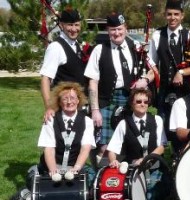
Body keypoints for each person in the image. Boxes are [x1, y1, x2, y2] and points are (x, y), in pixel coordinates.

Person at [84, 13, 154, 164]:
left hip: (131, 102)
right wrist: (95, 110)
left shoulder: (136, 47)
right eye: (113, 29)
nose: (116, 33)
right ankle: (102, 181)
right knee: (104, 147)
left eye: (119, 29)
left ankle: (126, 181)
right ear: (108, 31)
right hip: (107, 102)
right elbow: (92, 81)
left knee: (130, 143)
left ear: (126, 29)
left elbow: (153, 71)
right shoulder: (99, 50)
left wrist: (145, 79)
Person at [149, 0, 190, 153]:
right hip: (164, 92)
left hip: (185, 93)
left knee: (184, 131)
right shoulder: (157, 35)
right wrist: (155, 80)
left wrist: (182, 72)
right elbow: (151, 62)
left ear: (182, 16)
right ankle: (166, 168)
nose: (172, 17)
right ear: (165, 15)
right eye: (169, 14)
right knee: (164, 132)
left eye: (176, 14)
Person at [107, 88, 169, 199]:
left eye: (146, 102)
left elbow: (161, 147)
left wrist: (146, 160)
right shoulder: (124, 123)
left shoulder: (157, 120)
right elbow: (112, 149)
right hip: (133, 172)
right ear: (131, 103)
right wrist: (113, 161)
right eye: (139, 101)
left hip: (154, 170)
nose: (143, 104)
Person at [30, 82, 95, 183]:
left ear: (78, 100)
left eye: (72, 98)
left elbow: (85, 148)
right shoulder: (50, 120)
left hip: (74, 166)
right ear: (59, 102)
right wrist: (53, 170)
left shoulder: (87, 121)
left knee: (92, 181)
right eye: (65, 99)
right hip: (51, 166)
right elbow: (49, 148)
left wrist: (76, 168)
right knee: (32, 181)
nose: (69, 102)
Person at [40, 8, 89, 122]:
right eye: (70, 25)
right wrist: (49, 107)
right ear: (61, 25)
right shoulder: (56, 47)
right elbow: (45, 79)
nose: (74, 29)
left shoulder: (76, 44)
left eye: (77, 25)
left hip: (78, 107)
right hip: (64, 108)